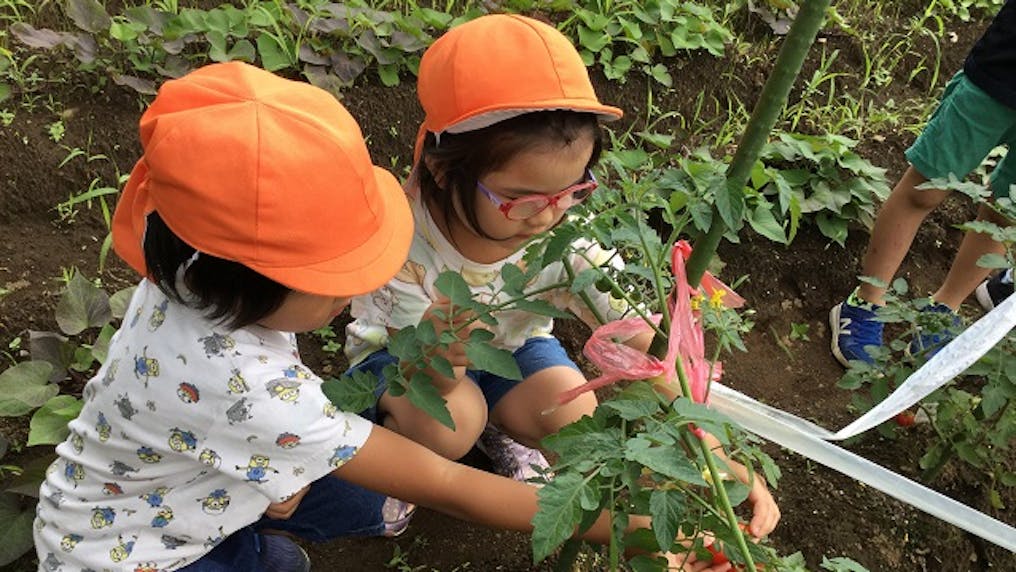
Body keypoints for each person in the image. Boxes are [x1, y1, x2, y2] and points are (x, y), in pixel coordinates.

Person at [33, 62, 732, 572]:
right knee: (349, 506)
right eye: (339, 275)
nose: (358, 289)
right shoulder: (251, 390)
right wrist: (630, 528)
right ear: (256, 281)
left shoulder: (187, 269)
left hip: (151, 491)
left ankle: (249, 525)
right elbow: (447, 485)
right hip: (128, 557)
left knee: (312, 526)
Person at [344, 13, 779, 538]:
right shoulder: (402, 240)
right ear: (442, 168)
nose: (550, 216)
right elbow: (432, 375)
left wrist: (713, 451)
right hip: (412, 365)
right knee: (451, 423)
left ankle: (501, 435)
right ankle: (404, 462)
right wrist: (443, 351)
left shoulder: (568, 229)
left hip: (512, 347)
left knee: (574, 411)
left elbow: (644, 341)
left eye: (573, 190)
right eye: (520, 199)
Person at [830, 0, 1016, 366]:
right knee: (925, 189)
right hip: (999, 76)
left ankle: (943, 311)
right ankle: (866, 300)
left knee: (1005, 211)